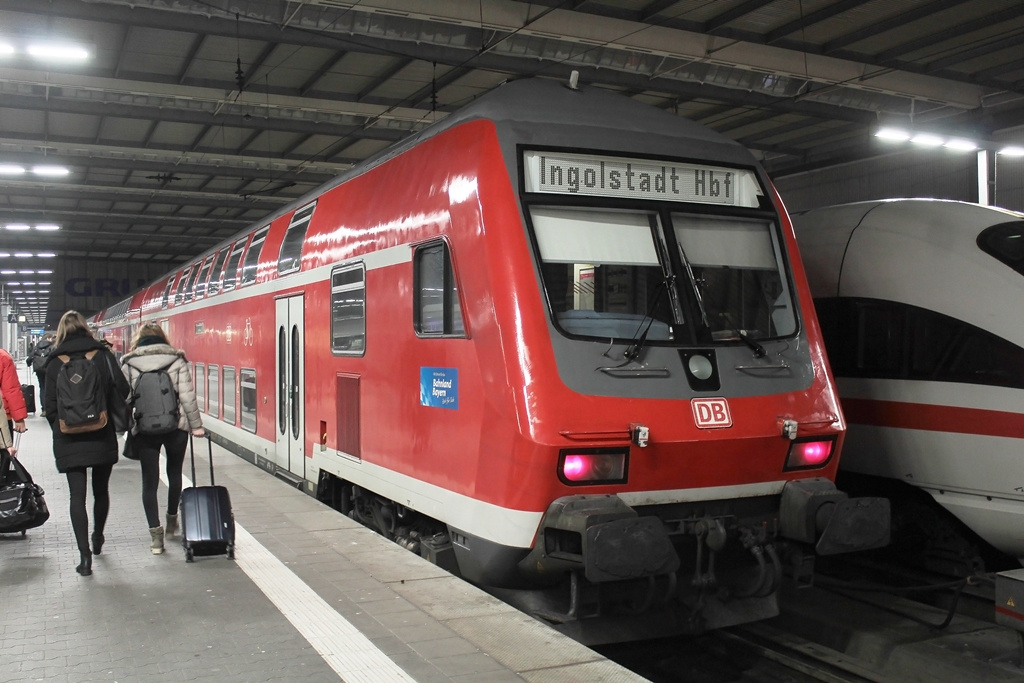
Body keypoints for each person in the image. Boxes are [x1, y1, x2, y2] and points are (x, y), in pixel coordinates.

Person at [43, 311, 130, 576]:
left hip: (69, 437)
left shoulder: (55, 362)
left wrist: (61, 429)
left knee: (76, 496)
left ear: (61, 333)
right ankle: (98, 537)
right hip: (100, 433)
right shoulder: (102, 355)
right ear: (85, 329)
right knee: (100, 491)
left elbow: (49, 407)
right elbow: (124, 390)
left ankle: (84, 557)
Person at [121, 323, 204, 555]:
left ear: (140, 340)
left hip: (145, 429)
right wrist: (196, 427)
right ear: (162, 339)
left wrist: (127, 427)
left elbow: (125, 399)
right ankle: (171, 522)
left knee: (150, 482)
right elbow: (188, 397)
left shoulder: (129, 364)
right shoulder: (176, 360)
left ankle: (156, 539)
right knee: (174, 473)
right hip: (176, 426)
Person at [0, 347, 29, 452]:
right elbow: (11, 389)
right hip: (2, 420)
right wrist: (19, 418)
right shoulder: (3, 357)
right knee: (4, 457)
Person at [28, 332, 55, 415]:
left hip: (39, 370)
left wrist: (28, 364)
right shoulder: (52, 347)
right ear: (48, 338)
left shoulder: (36, 347)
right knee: (50, 388)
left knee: (42, 388)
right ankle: (50, 408)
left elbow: (30, 358)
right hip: (49, 370)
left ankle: (44, 409)